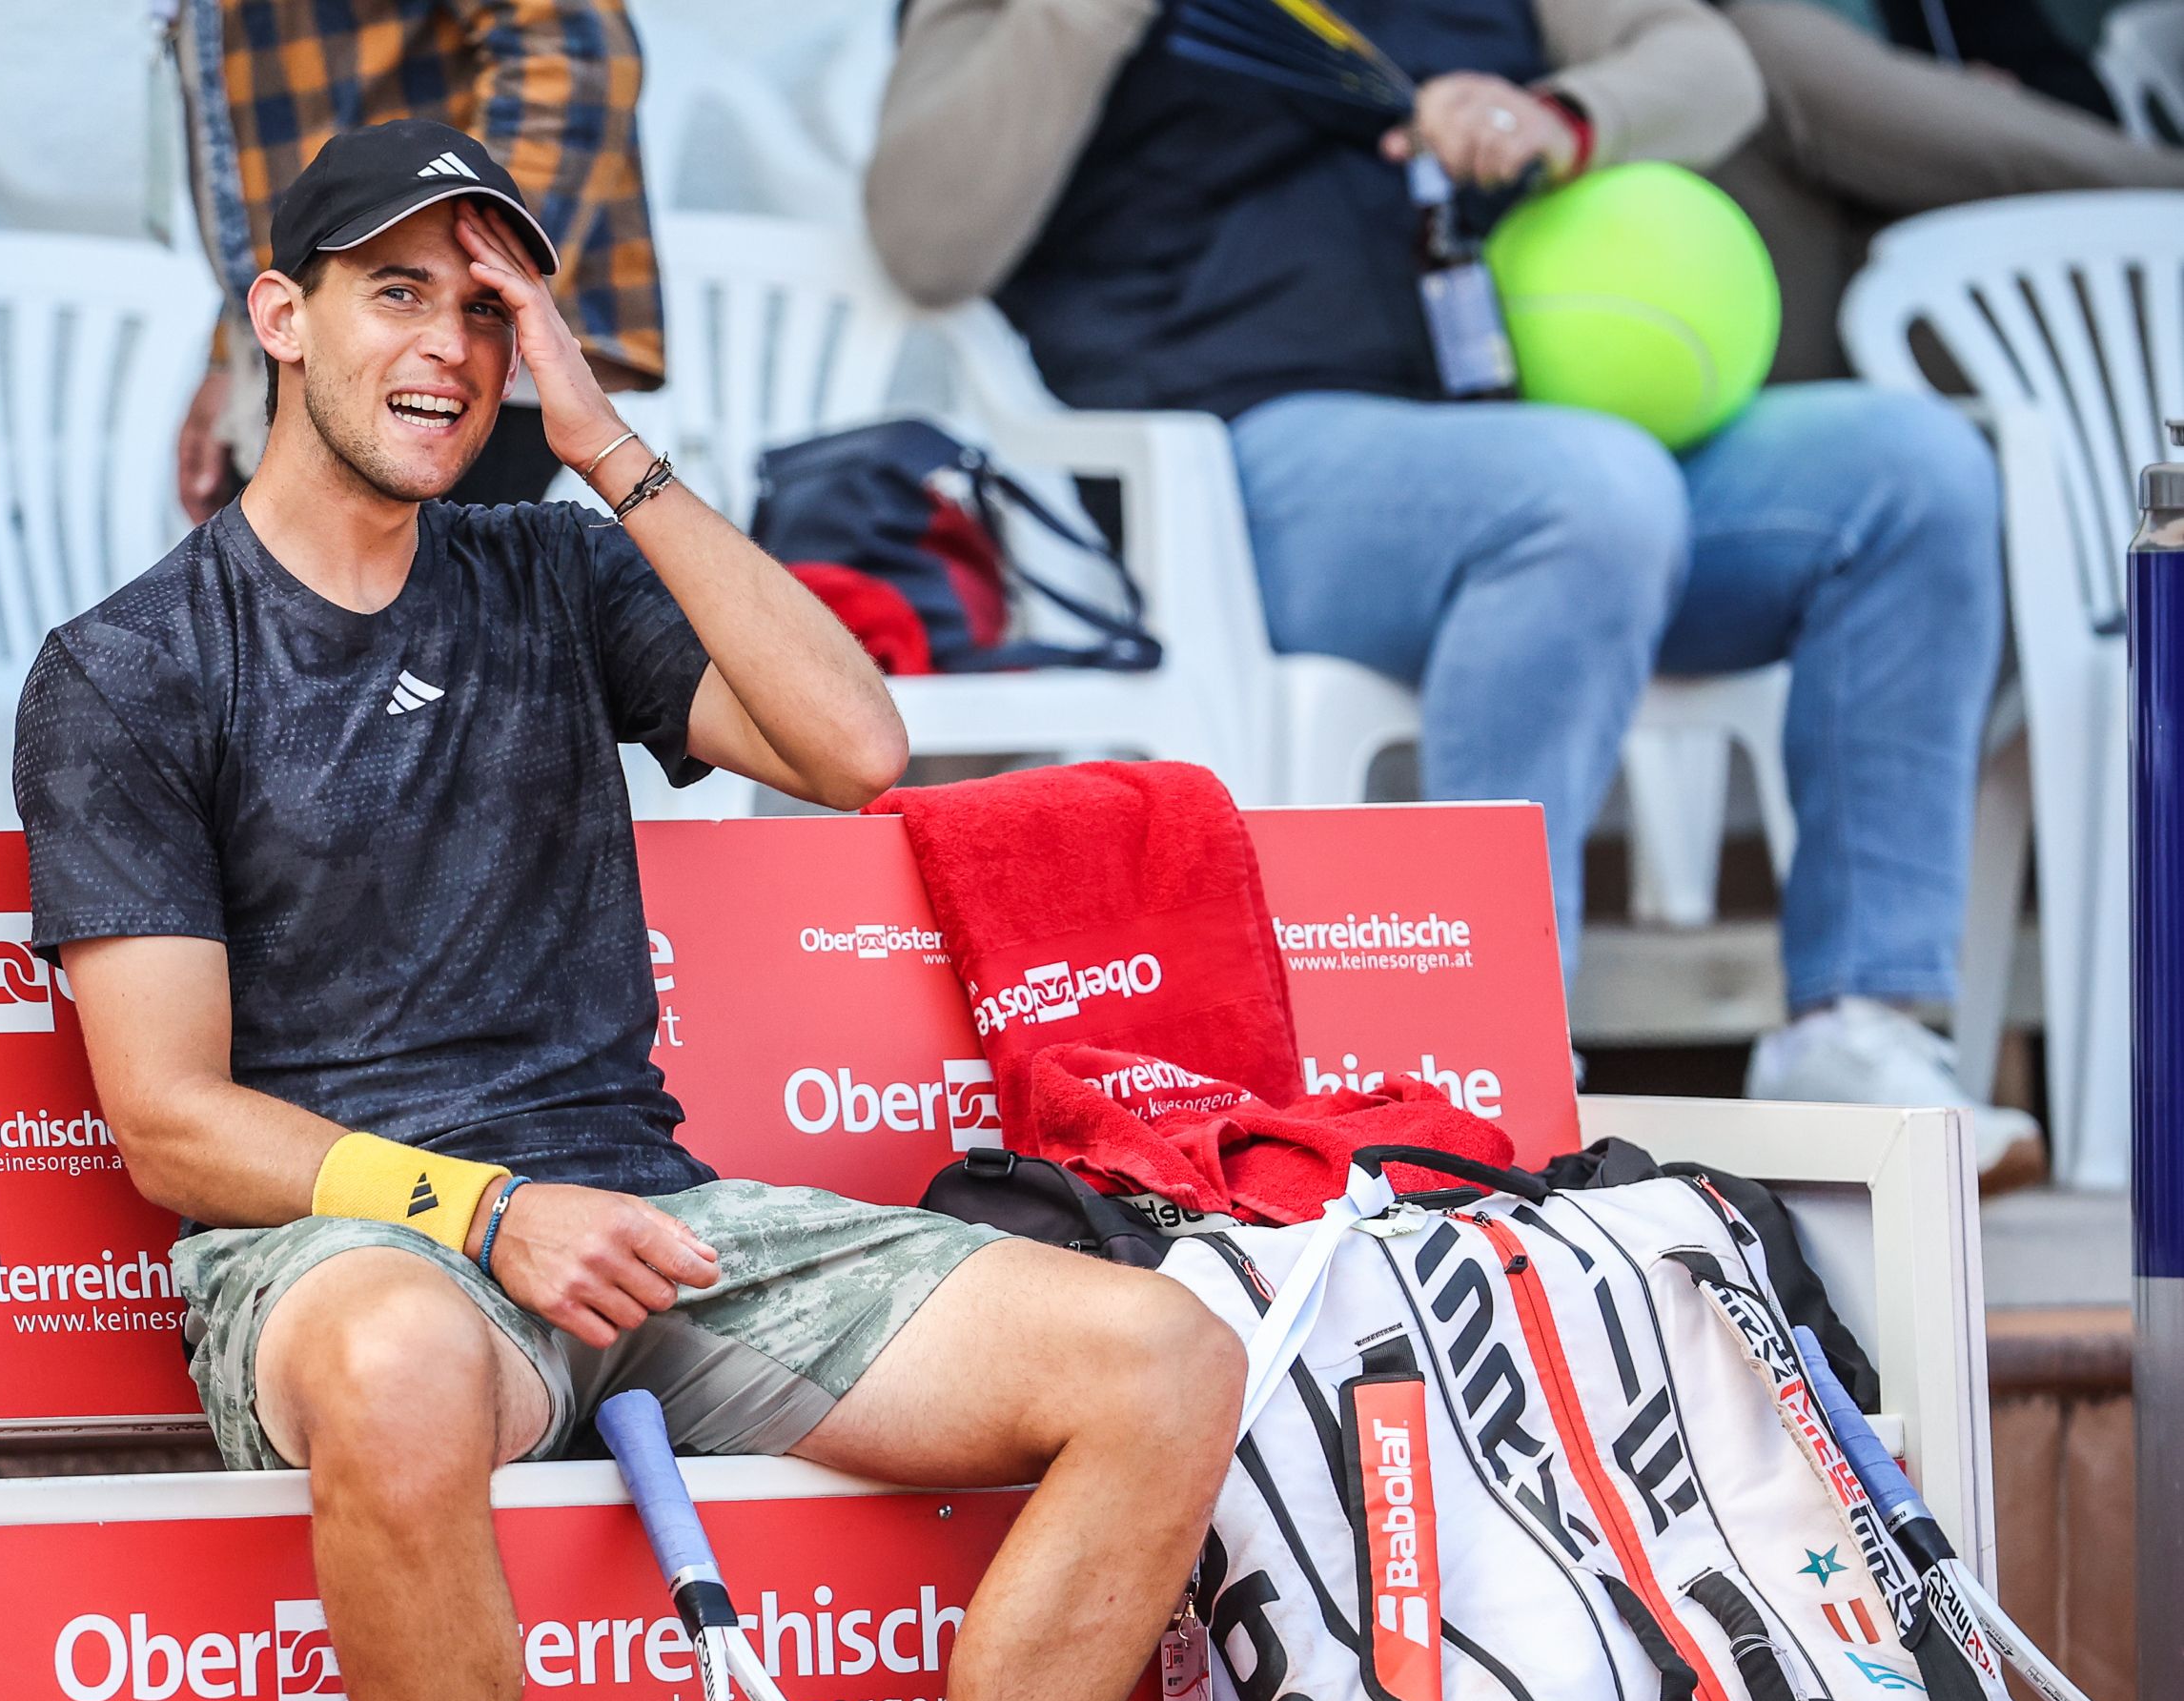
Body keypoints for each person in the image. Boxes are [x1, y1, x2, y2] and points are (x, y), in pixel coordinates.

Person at [16, 119, 1238, 1701]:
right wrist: (481, 1207)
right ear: (276, 315)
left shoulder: (556, 562)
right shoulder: (131, 665)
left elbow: (856, 752)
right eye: (393, 289)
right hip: (345, 1245)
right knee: (399, 1363)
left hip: (642, 1216)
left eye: (483, 304)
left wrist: (606, 444)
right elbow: (170, 1121)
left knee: (1163, 1355)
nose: (446, 345)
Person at [868, 0, 2046, 1188]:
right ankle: (1500, 1052)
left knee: (1911, 473)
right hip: (1232, 456)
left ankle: (1852, 1025)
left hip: (1522, 426)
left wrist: (1563, 118)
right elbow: (922, 236)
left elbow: (1714, 65)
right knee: (1587, 492)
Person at [169, 0, 665, 521]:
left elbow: (576, 56)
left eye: (479, 309)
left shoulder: (455, 339)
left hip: (429, 386)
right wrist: (237, 351)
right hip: (313, 350)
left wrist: (473, 288)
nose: (450, 343)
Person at [1717, 0, 2184, 383]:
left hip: (1964, 229)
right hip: (1805, 268)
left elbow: (2082, 100)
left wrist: (1978, 103)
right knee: (1762, 37)